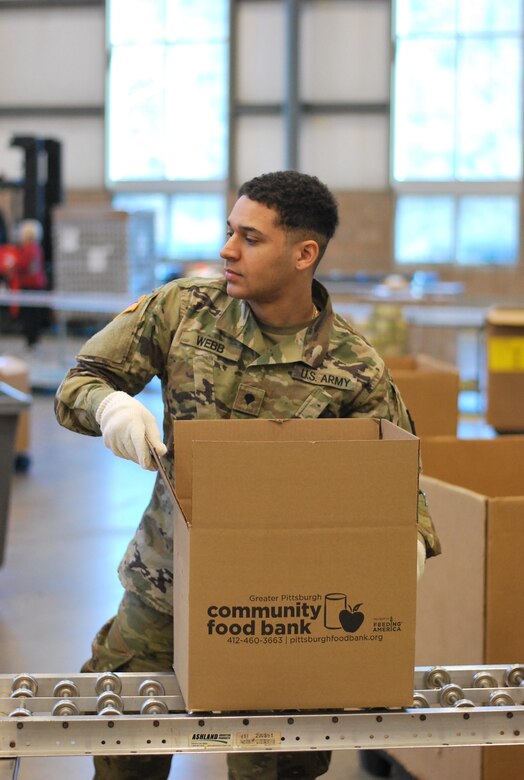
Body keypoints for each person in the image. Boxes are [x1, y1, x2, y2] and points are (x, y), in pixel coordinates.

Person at [55, 170, 441, 780]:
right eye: (229, 231)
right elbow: (79, 381)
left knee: (275, 763)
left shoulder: (351, 368)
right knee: (124, 744)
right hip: (163, 584)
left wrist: (406, 541)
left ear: (303, 253)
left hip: (279, 611)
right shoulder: (185, 311)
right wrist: (107, 406)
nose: (226, 250)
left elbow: (396, 477)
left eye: (251, 238)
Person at [14, 219, 48, 350]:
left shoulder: (30, 248)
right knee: (33, 315)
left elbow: (25, 266)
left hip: (31, 285)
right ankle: (33, 341)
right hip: (36, 284)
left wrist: (14, 266)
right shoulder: (36, 247)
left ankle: (32, 341)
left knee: (30, 315)